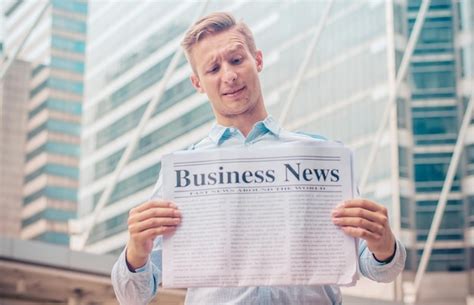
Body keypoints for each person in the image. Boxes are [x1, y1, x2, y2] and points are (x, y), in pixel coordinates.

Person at [111, 12, 406, 305]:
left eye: (237, 60)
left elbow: (381, 269)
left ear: (258, 61)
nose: (229, 75)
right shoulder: (182, 171)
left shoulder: (321, 156)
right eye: (213, 69)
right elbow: (133, 296)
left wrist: (383, 243)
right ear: (198, 83)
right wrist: (136, 249)